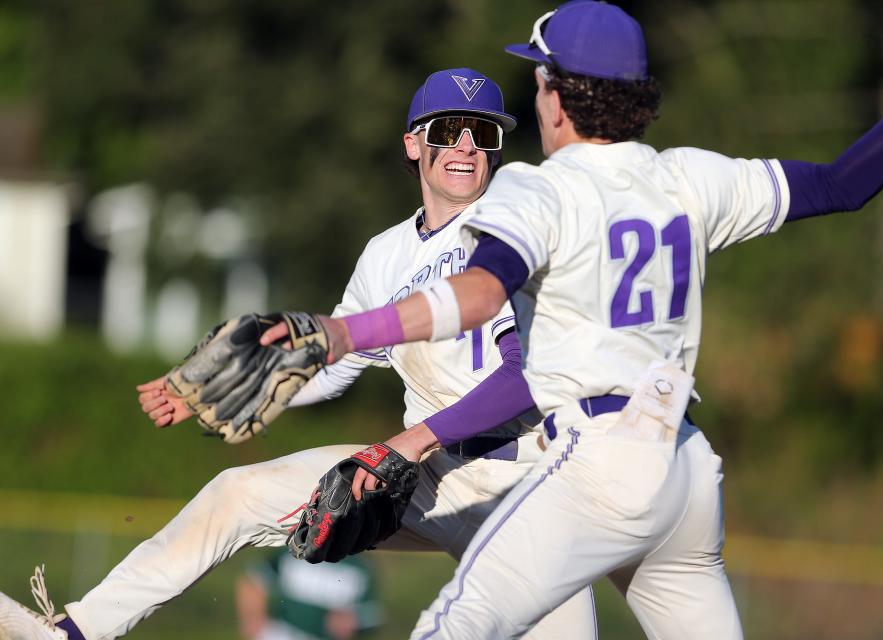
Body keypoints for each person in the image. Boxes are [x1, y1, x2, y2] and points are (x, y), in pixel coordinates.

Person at [261, 2, 883, 638]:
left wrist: (347, 332)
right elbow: (845, 184)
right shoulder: (689, 177)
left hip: (598, 460)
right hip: (683, 466)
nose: (538, 97)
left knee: (455, 626)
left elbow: (476, 296)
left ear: (560, 99)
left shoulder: (538, 188)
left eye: (539, 82)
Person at [0, 68, 597, 640]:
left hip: (527, 483)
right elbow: (339, 364)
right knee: (235, 494)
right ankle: (76, 630)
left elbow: (530, 377)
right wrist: (233, 389)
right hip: (426, 477)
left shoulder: (513, 233)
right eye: (448, 130)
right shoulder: (385, 254)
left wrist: (407, 444)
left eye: (483, 133)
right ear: (415, 145)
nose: (466, 145)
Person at [236, 548, 382, 640]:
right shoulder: (295, 549)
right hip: (282, 632)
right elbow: (253, 582)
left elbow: (371, 615)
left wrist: (351, 620)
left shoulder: (360, 566)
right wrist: (253, 617)